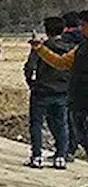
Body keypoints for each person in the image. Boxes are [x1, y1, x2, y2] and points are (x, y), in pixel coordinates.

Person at [29, 11, 88, 187]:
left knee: (39, 124)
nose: (81, 28)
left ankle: (42, 155)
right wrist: (40, 49)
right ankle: (64, 156)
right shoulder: (81, 48)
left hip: (78, 101)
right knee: (81, 138)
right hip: (76, 101)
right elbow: (61, 62)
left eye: (84, 24)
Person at [23, 16, 72, 169]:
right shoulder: (70, 48)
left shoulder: (40, 47)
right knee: (62, 125)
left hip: (41, 91)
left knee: (36, 124)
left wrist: (31, 83)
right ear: (63, 30)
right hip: (62, 92)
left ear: (46, 30)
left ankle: (37, 156)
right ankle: (61, 157)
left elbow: (30, 67)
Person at [63, 11, 86, 163]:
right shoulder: (82, 43)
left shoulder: (67, 41)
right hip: (76, 92)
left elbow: (61, 62)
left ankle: (70, 149)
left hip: (76, 93)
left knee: (72, 123)